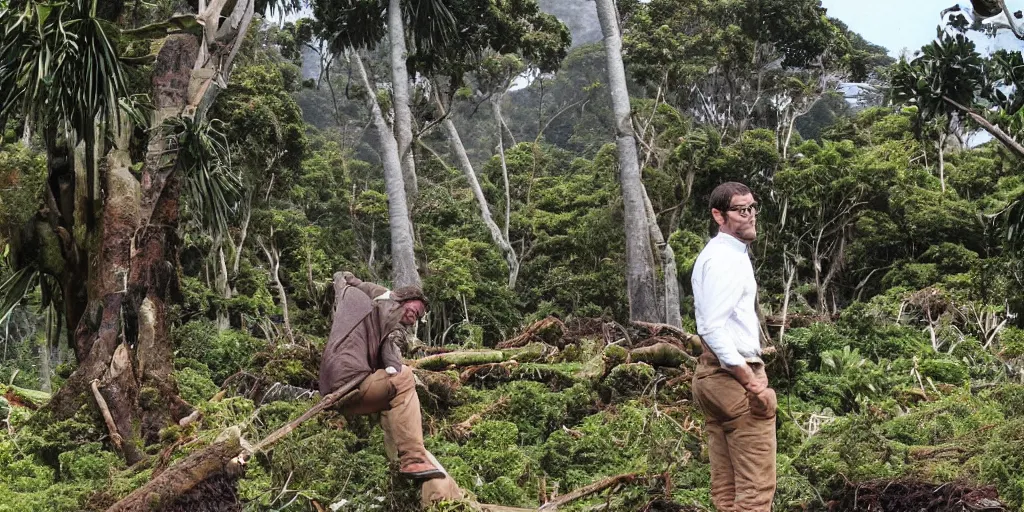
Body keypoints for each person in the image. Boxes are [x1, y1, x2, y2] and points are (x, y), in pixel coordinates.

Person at [318, 271, 456, 494]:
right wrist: (395, 366)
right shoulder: (387, 311)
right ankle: (413, 459)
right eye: (415, 309)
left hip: (334, 386)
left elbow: (364, 288)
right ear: (402, 299)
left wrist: (347, 279)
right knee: (404, 377)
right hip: (349, 383)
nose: (415, 315)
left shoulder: (378, 307)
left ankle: (398, 466)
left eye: (419, 315)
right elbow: (390, 339)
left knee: (390, 405)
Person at [690, 182, 777, 511]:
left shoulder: (715, 256)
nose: (751, 216)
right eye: (742, 210)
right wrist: (750, 382)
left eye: (753, 208)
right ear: (718, 215)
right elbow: (711, 326)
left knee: (727, 490)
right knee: (755, 491)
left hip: (711, 379)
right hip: (733, 378)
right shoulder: (726, 260)